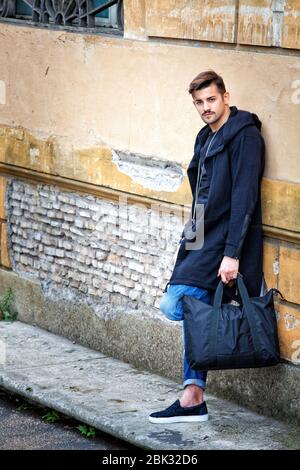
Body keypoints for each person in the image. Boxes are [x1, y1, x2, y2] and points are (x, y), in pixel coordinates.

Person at [149, 70, 265, 424]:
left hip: (227, 242)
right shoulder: (205, 136)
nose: (205, 108)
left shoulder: (245, 137)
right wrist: (188, 245)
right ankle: (193, 394)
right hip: (201, 240)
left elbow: (244, 198)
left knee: (180, 302)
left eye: (211, 100)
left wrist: (232, 254)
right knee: (180, 304)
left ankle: (193, 395)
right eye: (199, 102)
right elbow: (200, 196)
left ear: (226, 97)